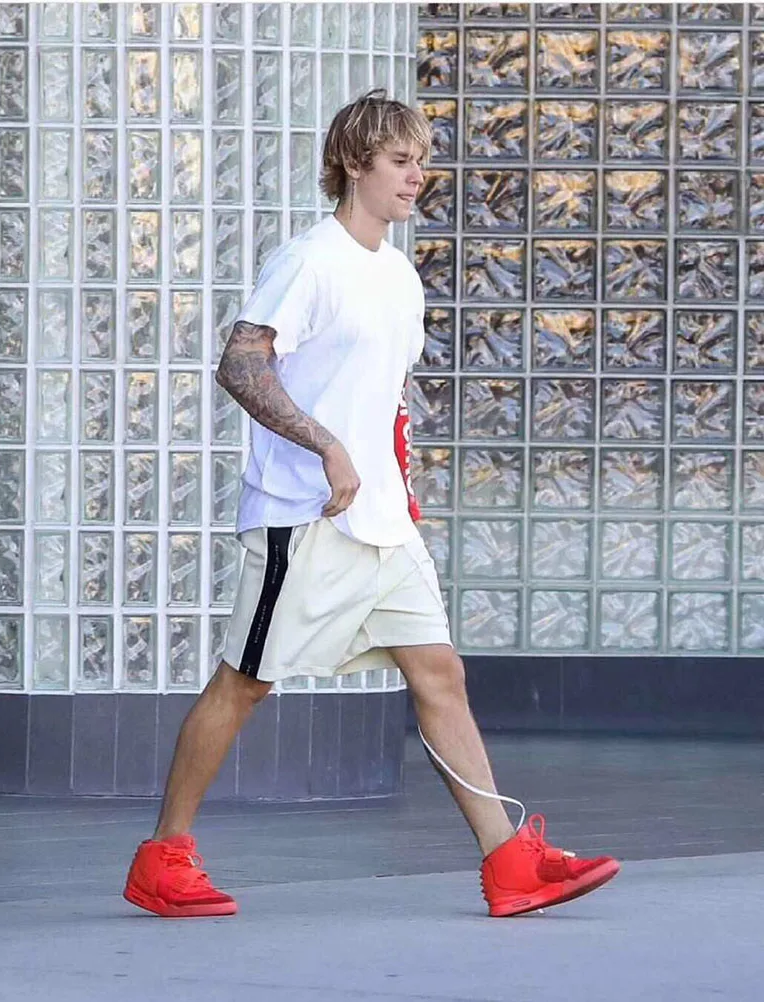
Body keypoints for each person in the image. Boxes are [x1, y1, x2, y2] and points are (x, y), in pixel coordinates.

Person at [123, 89, 620, 920]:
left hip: (385, 519)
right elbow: (241, 365)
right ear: (355, 164)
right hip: (305, 518)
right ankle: (162, 857)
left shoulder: (397, 274)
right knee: (245, 683)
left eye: (421, 162)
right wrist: (326, 445)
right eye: (400, 161)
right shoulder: (309, 260)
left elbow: (383, 395)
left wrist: (396, 474)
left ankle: (508, 862)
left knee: (440, 673)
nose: (417, 176)